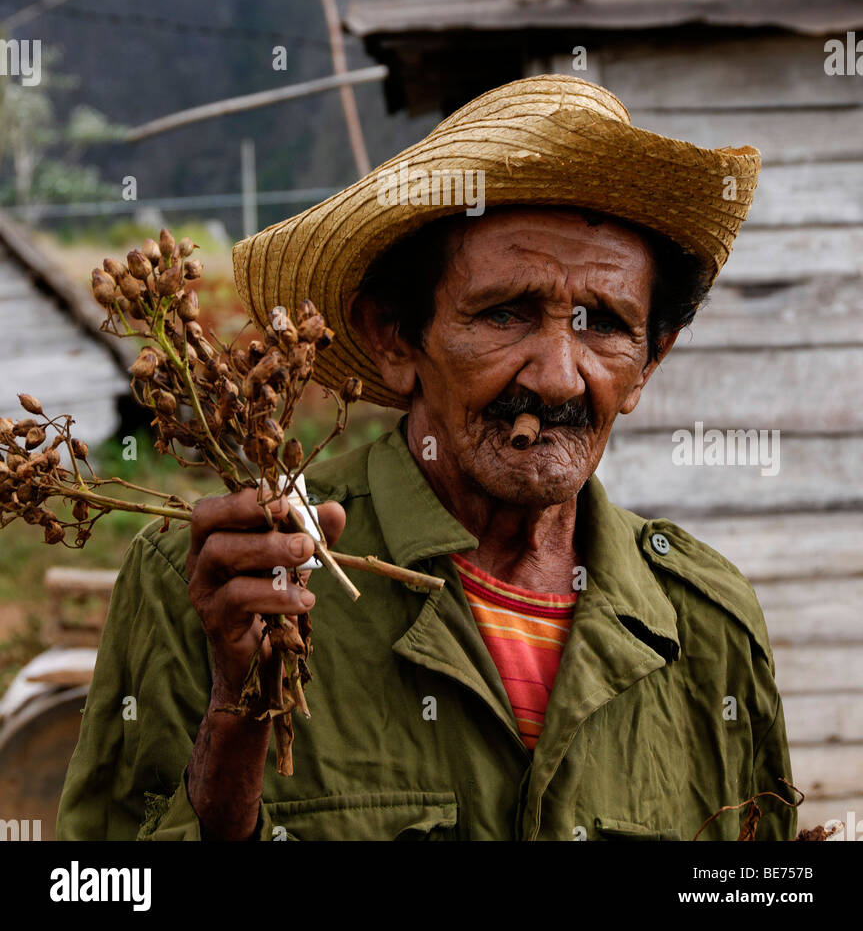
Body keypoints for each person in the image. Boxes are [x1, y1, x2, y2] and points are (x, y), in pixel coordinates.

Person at [57, 75, 795, 841]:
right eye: (505, 313)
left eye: (602, 324)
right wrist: (236, 718)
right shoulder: (227, 582)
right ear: (393, 337)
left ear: (647, 361)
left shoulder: (707, 623)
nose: (555, 374)